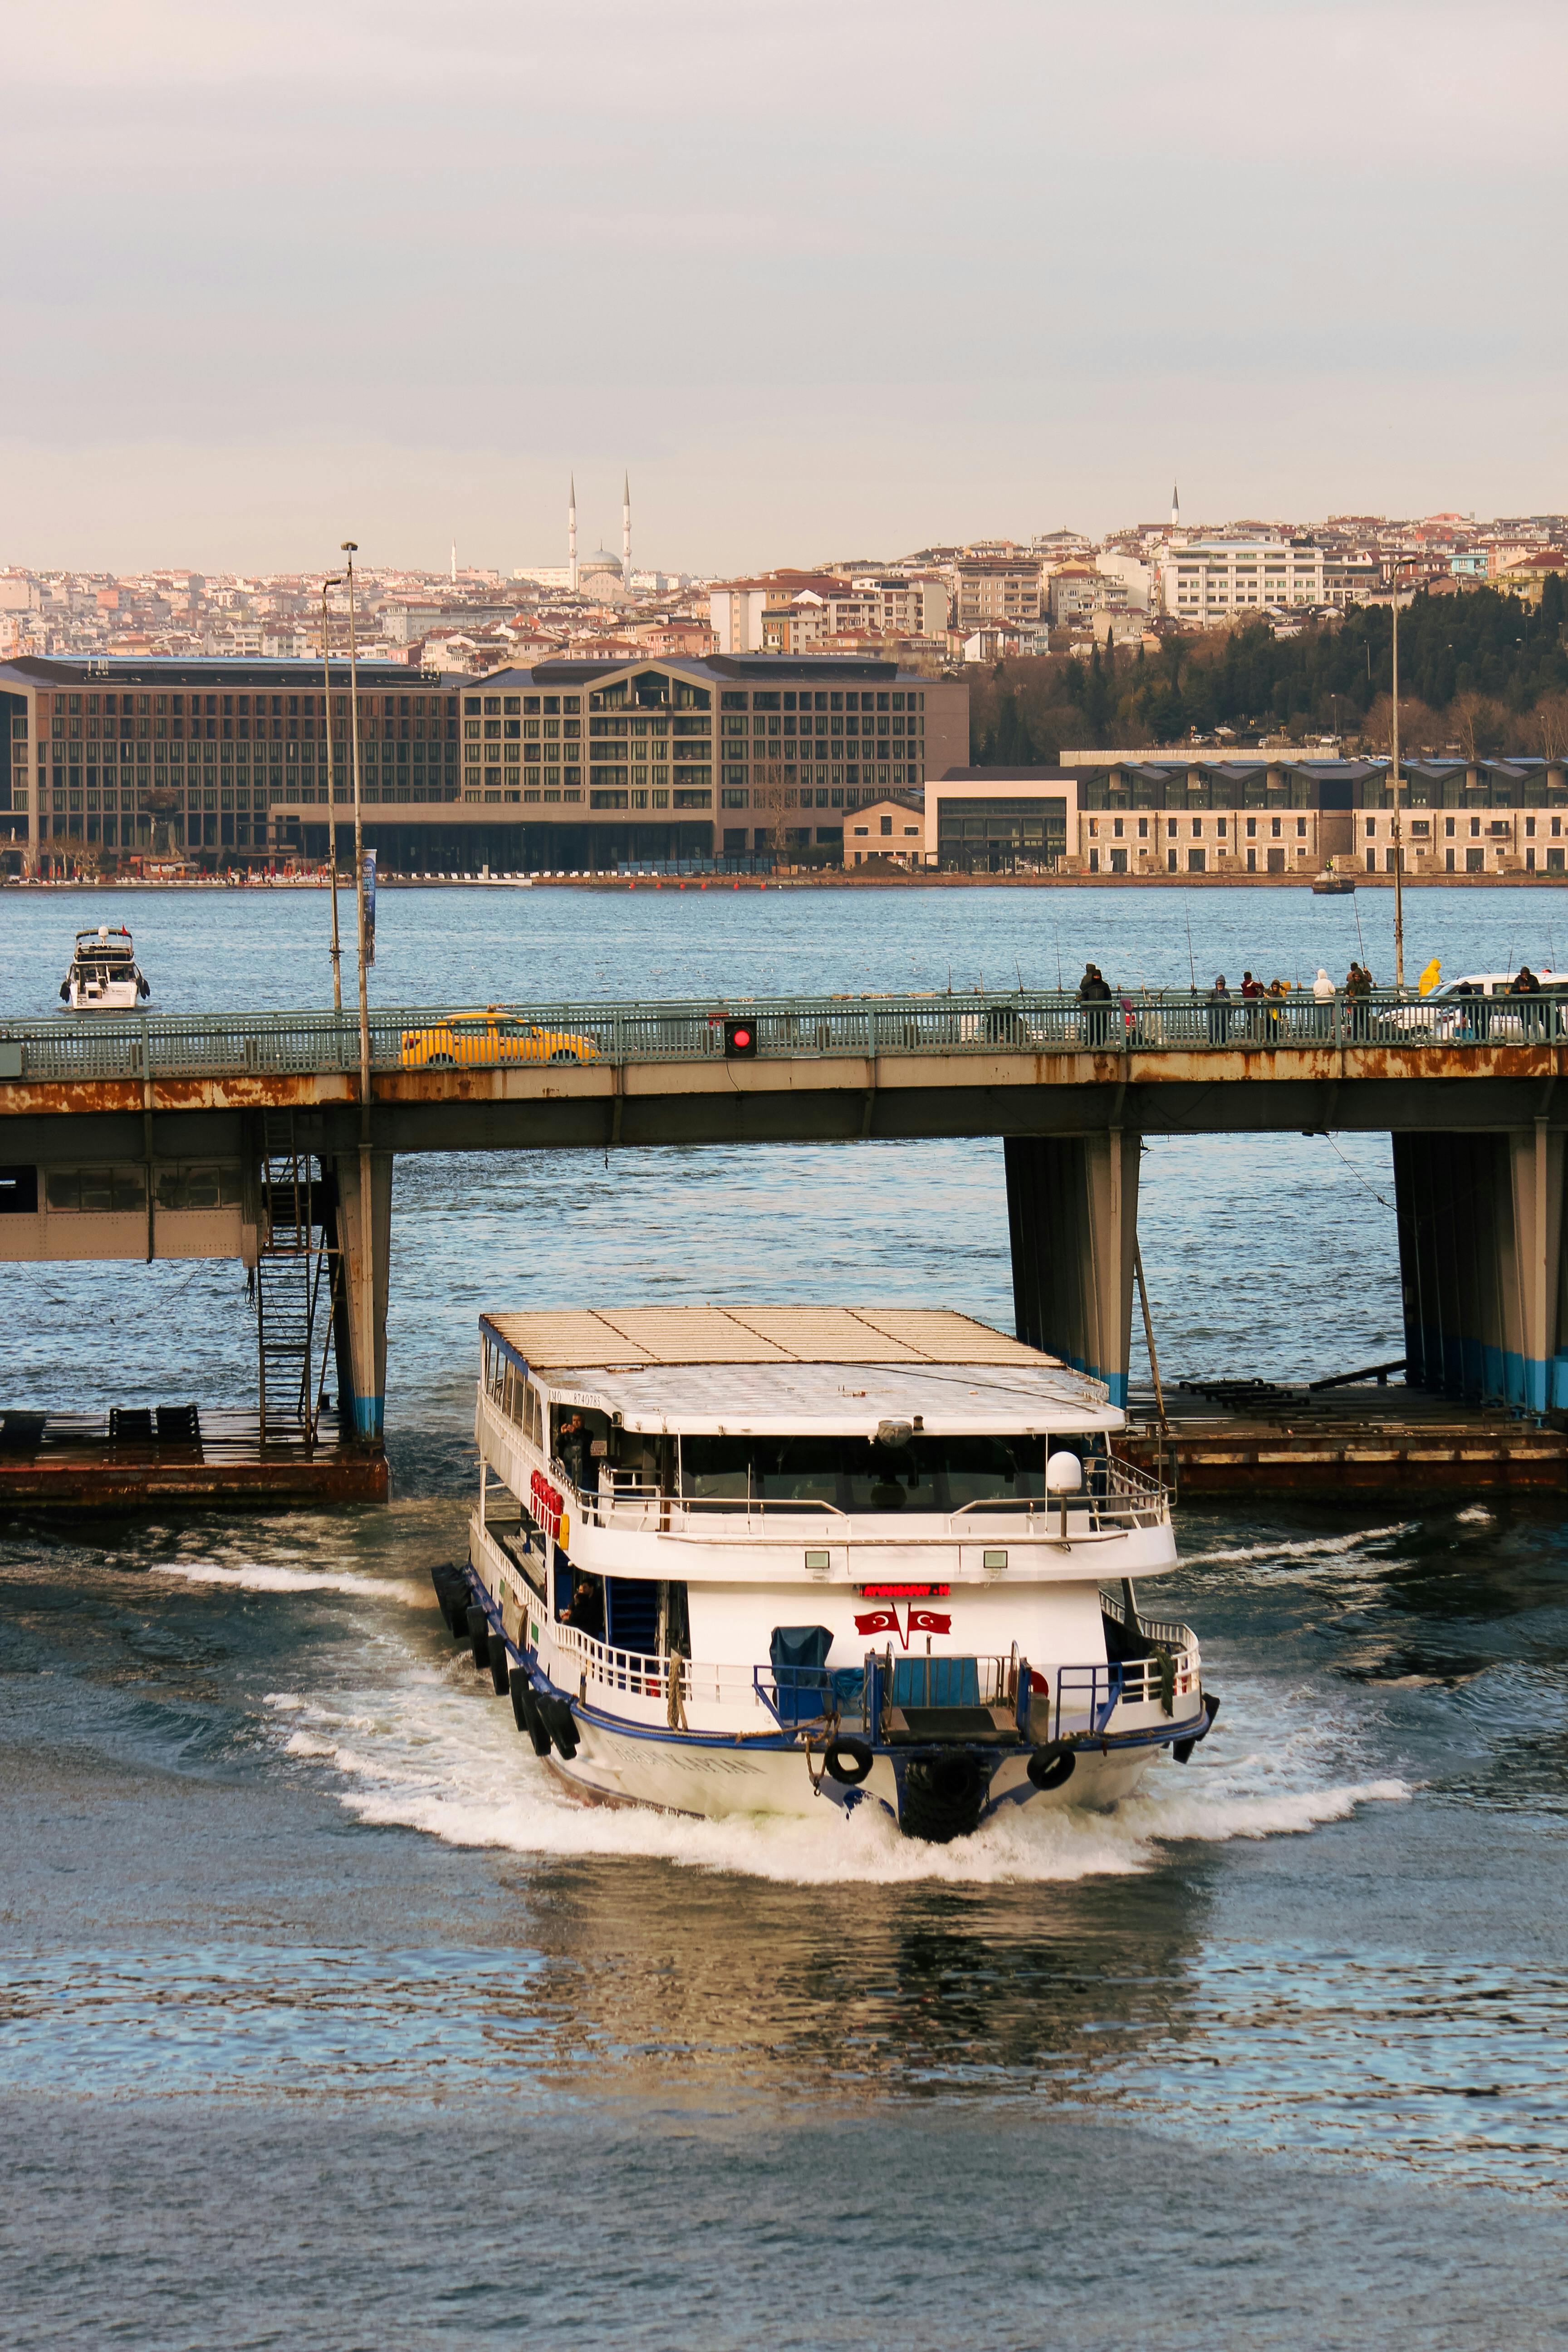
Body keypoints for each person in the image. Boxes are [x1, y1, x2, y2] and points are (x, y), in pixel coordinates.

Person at [1078, 960, 1113, 1046]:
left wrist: (1109, 1010)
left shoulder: (1105, 986)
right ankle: (1089, 1043)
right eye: (1095, 976)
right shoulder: (1089, 986)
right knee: (1091, 1028)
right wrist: (1084, 1009)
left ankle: (1100, 1043)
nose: (1097, 977)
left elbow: (1109, 998)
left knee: (1102, 1028)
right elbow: (1084, 998)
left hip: (1103, 1011)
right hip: (1091, 1011)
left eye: (1098, 976)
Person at [1207, 973, 1231, 1045]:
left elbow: (1229, 1005)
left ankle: (1222, 1045)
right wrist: (1210, 999)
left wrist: (1229, 1017)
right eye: (1219, 984)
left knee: (1223, 1033)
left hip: (1223, 1017)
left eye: (1221, 984)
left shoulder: (1226, 993)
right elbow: (1207, 1004)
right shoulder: (1212, 992)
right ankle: (1212, 1045)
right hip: (1213, 1017)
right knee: (1213, 1033)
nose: (1220, 986)